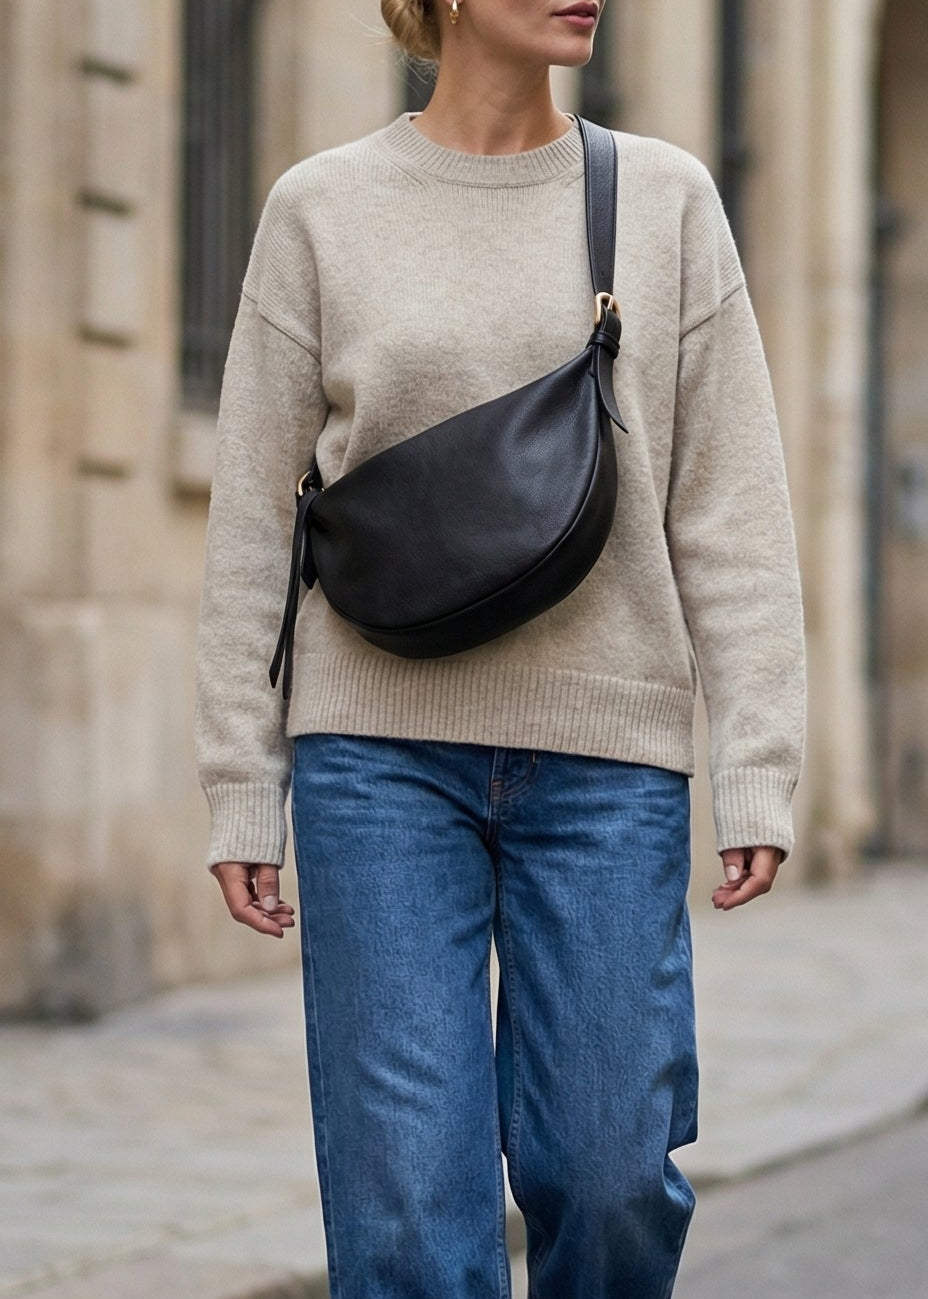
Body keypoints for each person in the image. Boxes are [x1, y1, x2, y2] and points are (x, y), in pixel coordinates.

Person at [194, 0, 806, 1294]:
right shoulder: (321, 210)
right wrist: (241, 787)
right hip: (374, 761)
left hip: (607, 764)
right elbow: (253, 515)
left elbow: (732, 506)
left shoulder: (668, 205)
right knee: (409, 1214)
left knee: (611, 1174)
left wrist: (758, 754)